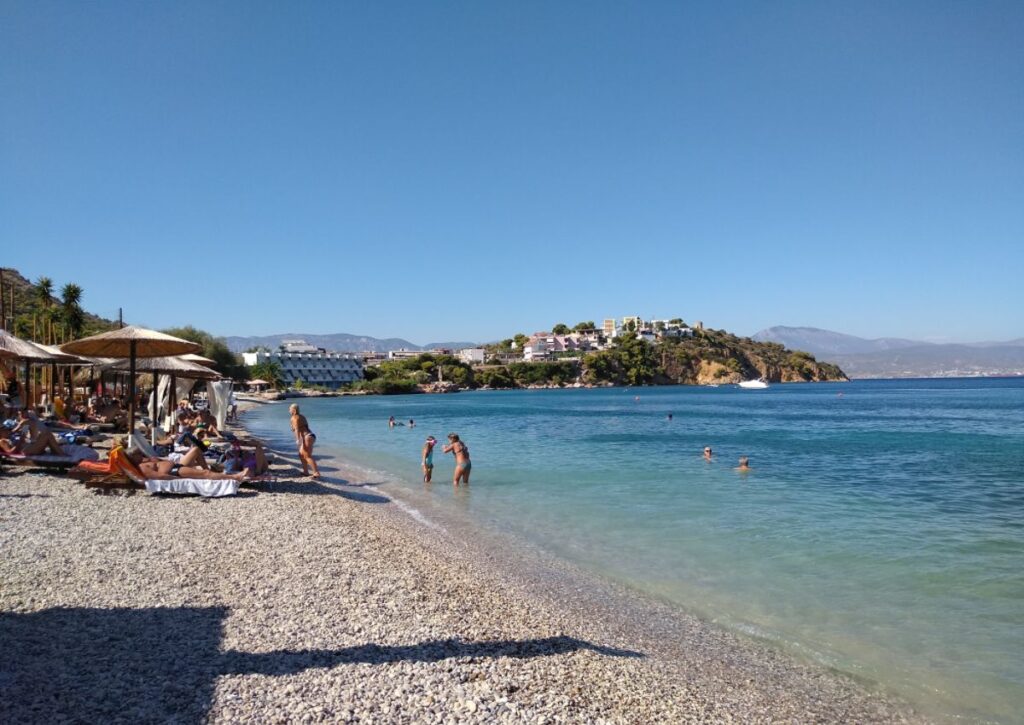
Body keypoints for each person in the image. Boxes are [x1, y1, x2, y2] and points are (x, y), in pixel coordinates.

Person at [126, 448, 250, 481]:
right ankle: (235, 477)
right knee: (204, 473)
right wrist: (176, 479)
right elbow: (158, 476)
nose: (140, 453)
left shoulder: (145, 460)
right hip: (174, 472)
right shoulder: (142, 467)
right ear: (133, 458)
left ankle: (214, 473)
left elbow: (161, 461)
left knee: (196, 450)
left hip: (176, 465)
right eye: (137, 453)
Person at [289, 403, 321, 479]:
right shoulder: (302, 416)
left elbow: (297, 430)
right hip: (311, 435)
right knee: (301, 455)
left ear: (293, 410)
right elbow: (305, 427)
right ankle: (305, 472)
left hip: (307, 437)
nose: (289, 410)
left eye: (290, 409)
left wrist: (297, 439)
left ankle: (316, 473)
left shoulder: (294, 418)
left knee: (307, 456)